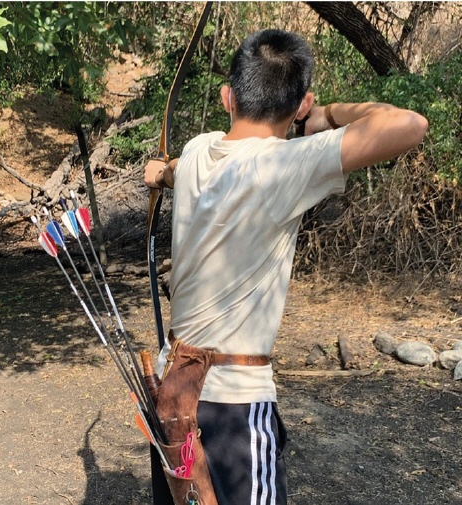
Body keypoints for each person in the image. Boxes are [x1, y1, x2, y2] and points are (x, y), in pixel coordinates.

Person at [144, 29, 428, 505]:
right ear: (300, 104)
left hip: (171, 395)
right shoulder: (285, 164)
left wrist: (158, 173)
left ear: (228, 97)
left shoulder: (196, 151)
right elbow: (410, 124)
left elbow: (168, 170)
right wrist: (326, 115)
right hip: (235, 405)